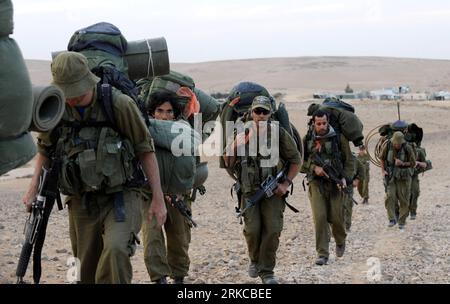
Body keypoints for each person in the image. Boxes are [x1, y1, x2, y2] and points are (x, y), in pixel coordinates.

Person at [22, 52, 167, 284]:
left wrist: (158, 199)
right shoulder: (57, 106)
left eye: (76, 94)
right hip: (81, 198)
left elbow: (145, 150)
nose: (70, 100)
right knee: (85, 267)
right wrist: (32, 189)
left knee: (116, 250)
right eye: (66, 94)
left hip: (121, 193)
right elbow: (45, 150)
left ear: (89, 82)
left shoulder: (118, 104)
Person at [223, 96, 301, 284]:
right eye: (257, 111)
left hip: (273, 191)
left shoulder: (279, 133)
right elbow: (227, 162)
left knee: (273, 230)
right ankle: (255, 260)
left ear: (270, 114)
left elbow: (296, 160)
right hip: (249, 191)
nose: (261, 115)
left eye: (265, 112)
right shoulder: (241, 132)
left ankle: (267, 271)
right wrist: (237, 144)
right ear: (251, 112)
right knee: (252, 230)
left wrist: (286, 183)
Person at [141, 91, 193, 284]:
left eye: (169, 111)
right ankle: (159, 279)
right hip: (150, 196)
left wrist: (180, 192)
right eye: (160, 111)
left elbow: (190, 167)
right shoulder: (145, 131)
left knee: (179, 240)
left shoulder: (183, 132)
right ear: (152, 113)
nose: (164, 116)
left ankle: (178, 278)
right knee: (152, 240)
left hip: (178, 196)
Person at [300, 109, 354, 266]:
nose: (322, 126)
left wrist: (345, 178)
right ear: (313, 122)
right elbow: (298, 162)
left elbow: (349, 161)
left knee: (337, 218)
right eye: (318, 123)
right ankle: (322, 253)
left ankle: (340, 239)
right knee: (320, 218)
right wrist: (313, 168)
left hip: (335, 183)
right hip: (316, 183)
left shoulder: (338, 138)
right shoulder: (307, 139)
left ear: (328, 122)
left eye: (324, 123)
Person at [380, 131, 416, 229]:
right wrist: (383, 171)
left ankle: (402, 221)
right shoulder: (388, 146)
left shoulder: (407, 148)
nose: (397, 145)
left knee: (404, 200)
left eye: (399, 144)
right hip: (391, 177)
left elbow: (413, 163)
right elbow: (382, 159)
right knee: (390, 197)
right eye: (395, 143)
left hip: (403, 178)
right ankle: (392, 219)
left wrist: (403, 164)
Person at [344, 153, 365, 232]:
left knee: (348, 205)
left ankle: (347, 226)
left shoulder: (353, 159)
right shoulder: (335, 156)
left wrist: (357, 179)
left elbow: (362, 170)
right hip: (336, 186)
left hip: (349, 186)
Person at [409, 144, 428, 220]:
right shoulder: (400, 149)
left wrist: (418, 163)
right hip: (402, 175)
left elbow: (425, 164)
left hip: (413, 175)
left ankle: (413, 211)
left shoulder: (419, 151)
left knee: (415, 192)